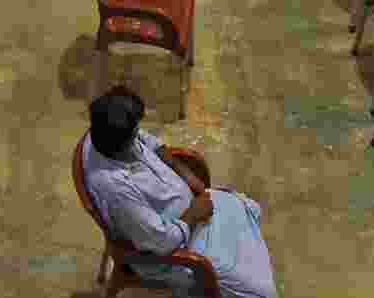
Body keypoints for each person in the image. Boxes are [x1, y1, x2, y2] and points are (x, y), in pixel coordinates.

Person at [82, 85, 278, 298]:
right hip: (177, 249)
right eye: (134, 132)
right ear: (122, 142)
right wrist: (194, 214)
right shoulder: (117, 190)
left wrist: (184, 173)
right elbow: (159, 241)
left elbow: (150, 142)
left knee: (246, 208)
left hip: (193, 214)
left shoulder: (106, 130)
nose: (139, 134)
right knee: (261, 292)